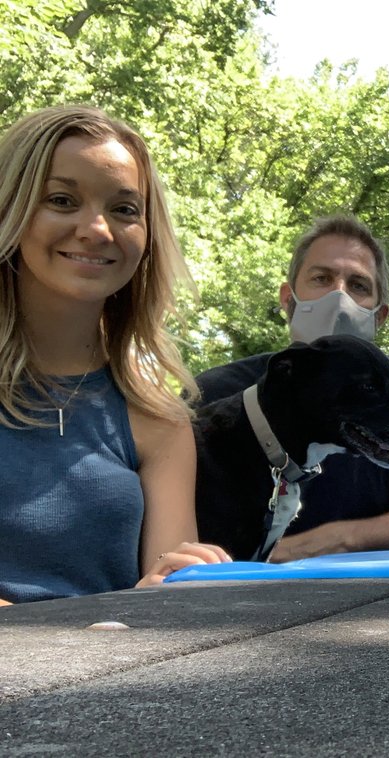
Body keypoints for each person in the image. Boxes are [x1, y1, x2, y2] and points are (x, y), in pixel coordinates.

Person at [0, 105, 229, 604]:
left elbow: (163, 611)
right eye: (62, 200)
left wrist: (176, 585)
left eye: (124, 209)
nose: (97, 230)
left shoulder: (161, 419)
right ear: (11, 211)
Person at [194, 215, 389, 561]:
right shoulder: (214, 392)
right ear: (288, 299)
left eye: (359, 286)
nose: (339, 296)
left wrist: (327, 542)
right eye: (321, 278)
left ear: (380, 315)